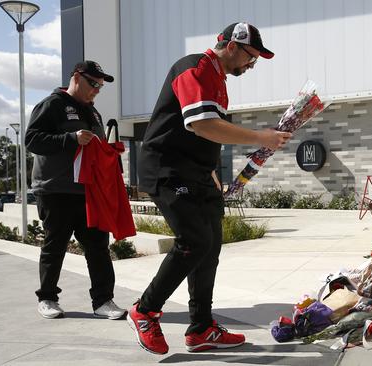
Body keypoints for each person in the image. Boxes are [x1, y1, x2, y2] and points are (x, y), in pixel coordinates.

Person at [127, 22, 291, 355]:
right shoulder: (193, 68)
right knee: (195, 241)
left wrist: (212, 172)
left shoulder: (218, 79)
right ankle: (145, 310)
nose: (251, 65)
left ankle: (201, 328)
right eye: (251, 58)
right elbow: (201, 125)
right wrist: (262, 137)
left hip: (197, 173)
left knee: (211, 245)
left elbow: (205, 136)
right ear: (233, 46)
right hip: (167, 170)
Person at [25, 61, 126, 320]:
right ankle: (47, 298)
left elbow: (98, 149)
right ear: (77, 78)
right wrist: (70, 138)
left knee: (98, 246)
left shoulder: (94, 114)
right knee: (55, 245)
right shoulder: (52, 104)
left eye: (100, 86)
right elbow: (32, 140)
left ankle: (103, 301)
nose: (97, 90)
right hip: (55, 189)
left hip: (88, 191)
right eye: (94, 83)